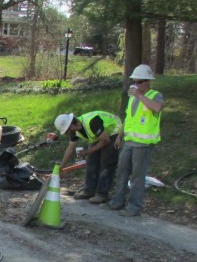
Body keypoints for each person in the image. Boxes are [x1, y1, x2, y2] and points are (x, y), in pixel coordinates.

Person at [107, 64, 165, 217]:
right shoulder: (133, 98)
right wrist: (120, 136)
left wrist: (139, 95)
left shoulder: (154, 95)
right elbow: (129, 119)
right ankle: (117, 201)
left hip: (143, 144)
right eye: (134, 82)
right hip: (129, 141)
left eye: (139, 82)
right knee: (122, 172)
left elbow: (158, 108)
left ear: (147, 82)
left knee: (137, 177)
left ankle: (134, 207)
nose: (136, 85)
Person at [54, 111, 122, 204]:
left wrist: (88, 151)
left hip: (113, 132)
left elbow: (106, 140)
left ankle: (102, 194)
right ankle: (89, 190)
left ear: (71, 125)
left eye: (67, 131)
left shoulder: (92, 122)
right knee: (91, 161)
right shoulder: (76, 130)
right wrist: (61, 167)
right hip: (100, 135)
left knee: (106, 162)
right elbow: (70, 148)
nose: (67, 134)